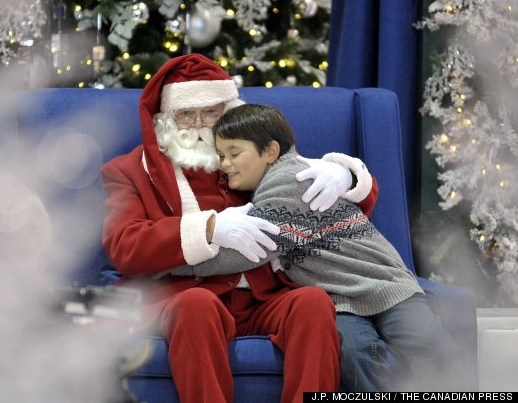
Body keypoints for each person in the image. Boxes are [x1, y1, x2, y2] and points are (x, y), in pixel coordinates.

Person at [101, 54, 380, 401]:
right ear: (166, 119)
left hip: (264, 295)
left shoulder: (249, 156)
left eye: (211, 112)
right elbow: (124, 246)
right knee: (196, 306)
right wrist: (208, 228)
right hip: (185, 295)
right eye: (186, 114)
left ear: (230, 111)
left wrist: (344, 176)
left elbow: (337, 206)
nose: (199, 124)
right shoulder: (129, 171)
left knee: (311, 302)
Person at [171, 103, 465, 392]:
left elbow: (250, 250)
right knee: (355, 350)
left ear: (271, 151)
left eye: (234, 153)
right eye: (221, 155)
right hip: (339, 301)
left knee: (430, 347)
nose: (224, 164)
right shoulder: (277, 180)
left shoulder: (288, 181)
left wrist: (176, 262)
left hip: (383, 284)